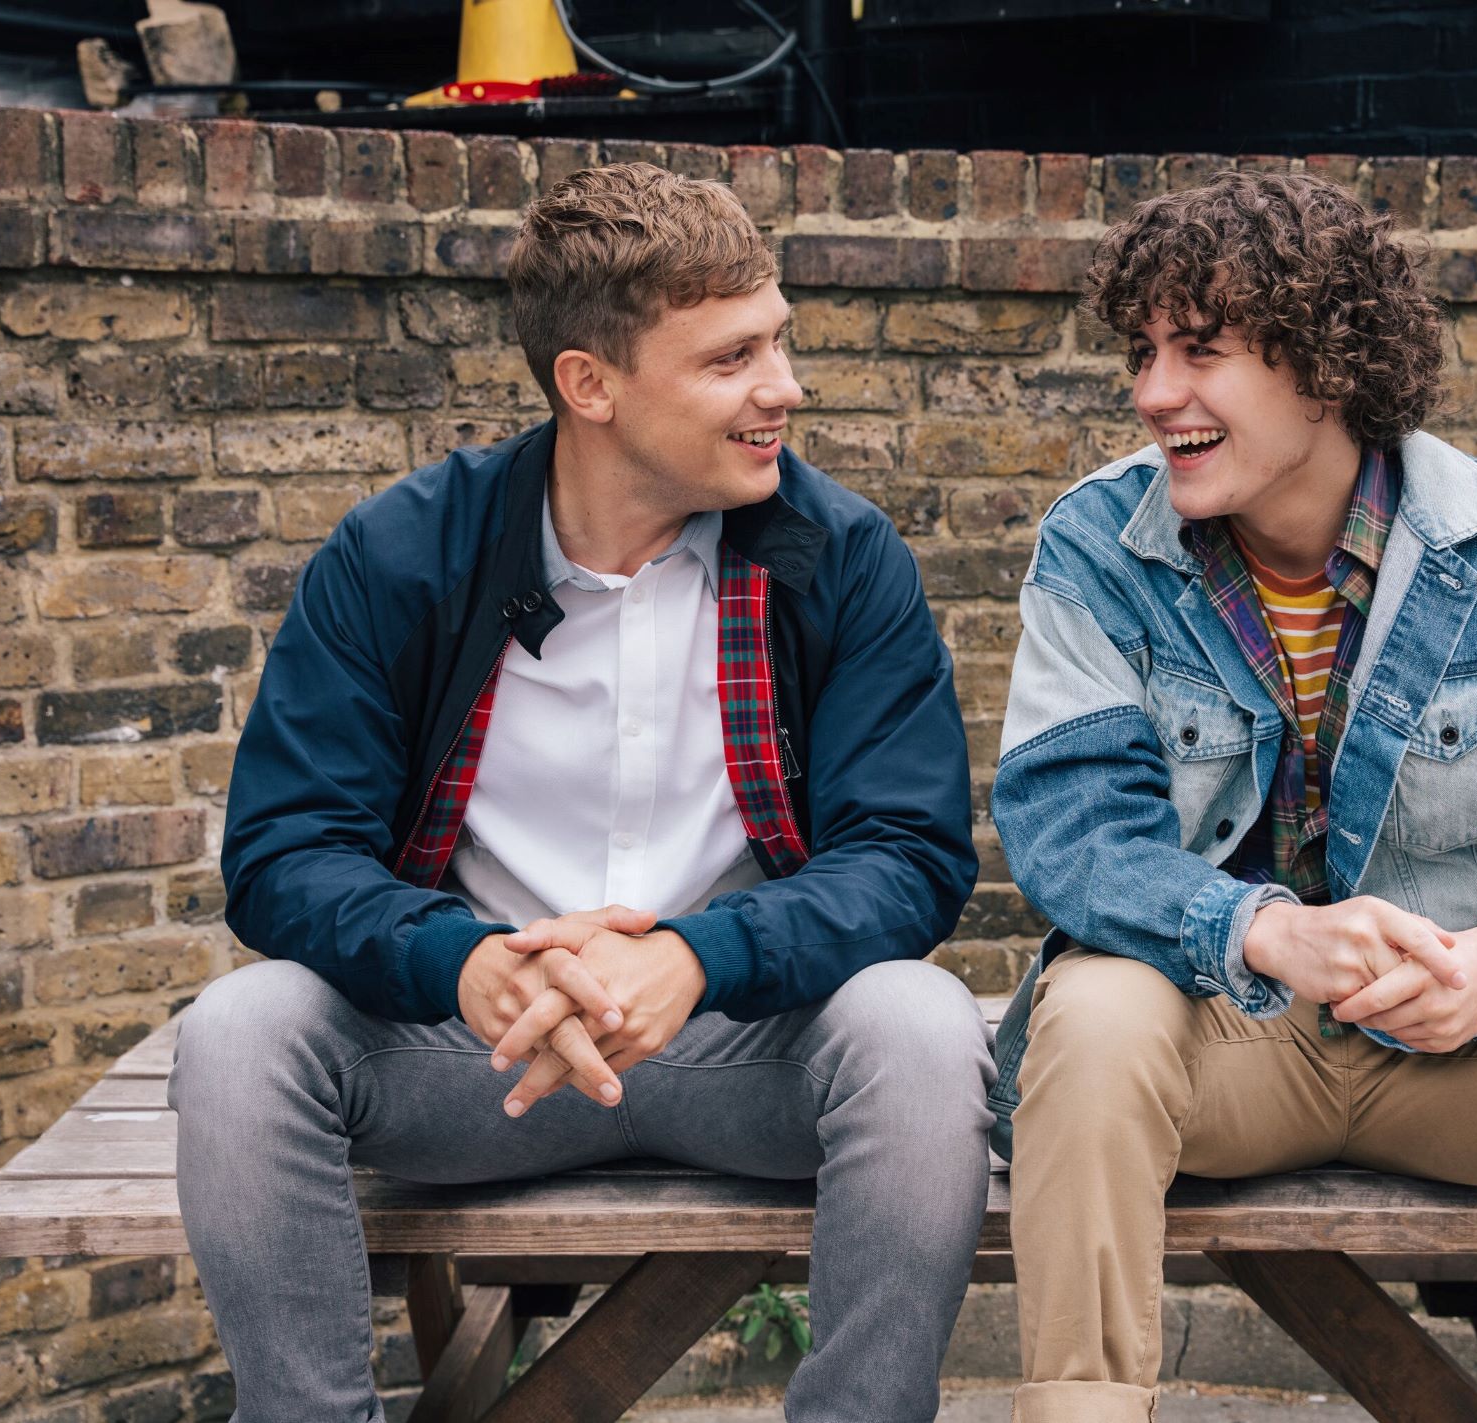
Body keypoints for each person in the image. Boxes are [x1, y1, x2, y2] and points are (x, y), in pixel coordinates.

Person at [171, 162, 992, 1423]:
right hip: (480, 1055)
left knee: (923, 1029)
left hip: (741, 1046)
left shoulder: (836, 554)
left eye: (778, 340)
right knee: (238, 1033)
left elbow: (907, 853)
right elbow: (286, 849)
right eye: (730, 359)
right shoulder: (403, 553)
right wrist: (464, 961)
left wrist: (699, 955)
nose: (784, 387)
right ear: (589, 385)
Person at [989, 169, 1477, 1423]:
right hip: (1221, 1049)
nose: (1150, 394)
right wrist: (1268, 931)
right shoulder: (1098, 546)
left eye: (1198, 351)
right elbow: (1072, 833)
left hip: (1473, 1060)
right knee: (1090, 1015)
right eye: (1140, 353)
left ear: (1325, 362)